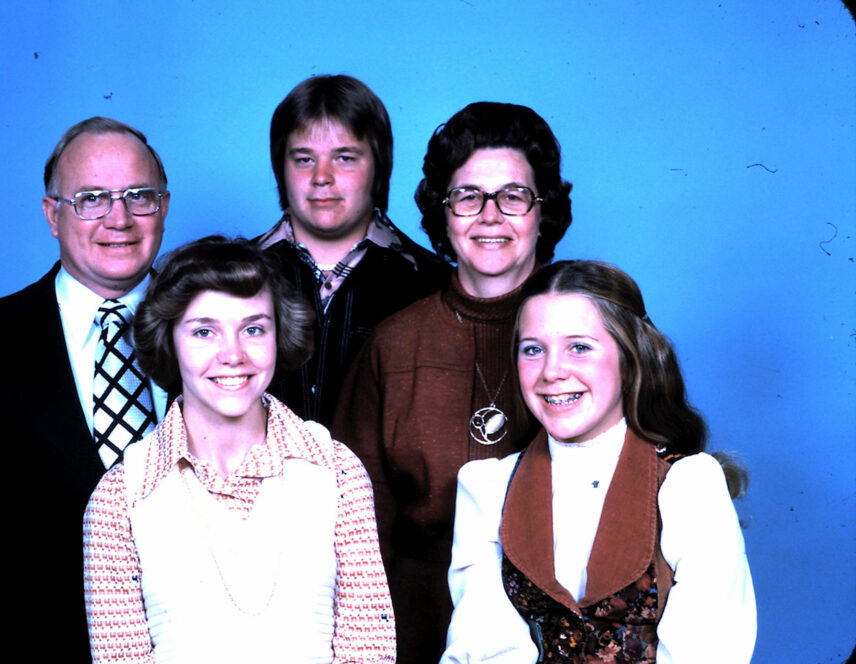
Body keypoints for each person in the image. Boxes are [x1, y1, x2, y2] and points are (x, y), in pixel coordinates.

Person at [333, 102, 573, 663]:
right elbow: (351, 529)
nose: (490, 216)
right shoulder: (395, 343)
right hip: (418, 631)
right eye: (468, 196)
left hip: (567, 625)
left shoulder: (600, 327)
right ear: (443, 212)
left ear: (545, 211)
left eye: (513, 196)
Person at [83, 236, 396, 663]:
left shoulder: (337, 471)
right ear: (169, 340)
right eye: (204, 331)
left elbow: (370, 652)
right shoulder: (120, 496)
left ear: (279, 334)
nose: (232, 354)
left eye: (253, 329)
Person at [0, 117, 169, 661]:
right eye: (91, 199)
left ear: (165, 206)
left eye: (139, 196)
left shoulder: (219, 331)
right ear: (51, 215)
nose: (120, 218)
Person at [444, 260, 757, 663]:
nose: (552, 371)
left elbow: (708, 651)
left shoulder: (688, 485)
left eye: (579, 347)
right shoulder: (486, 488)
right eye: (533, 350)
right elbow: (483, 644)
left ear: (629, 360)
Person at [257, 74, 449, 426]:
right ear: (280, 169)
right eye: (303, 159)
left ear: (379, 167)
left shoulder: (433, 283)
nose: (322, 177)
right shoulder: (235, 275)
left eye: (345, 158)